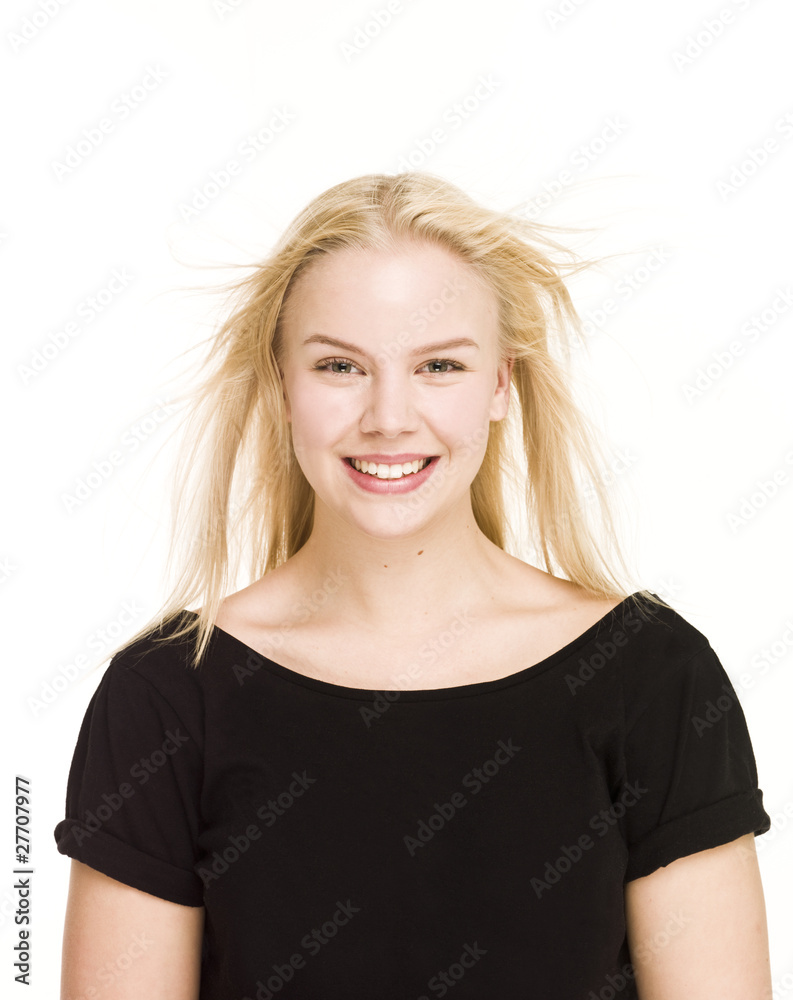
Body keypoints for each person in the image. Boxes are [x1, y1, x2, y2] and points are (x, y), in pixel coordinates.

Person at [54, 171, 773, 998]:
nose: (389, 416)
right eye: (339, 366)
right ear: (281, 386)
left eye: (438, 365)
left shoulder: (653, 680)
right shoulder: (166, 697)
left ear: (500, 384)